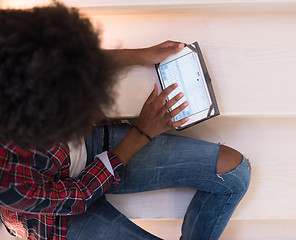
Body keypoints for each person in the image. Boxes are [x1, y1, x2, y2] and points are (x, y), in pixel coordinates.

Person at [0, 3, 251, 240]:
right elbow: (79, 196)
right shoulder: (7, 181)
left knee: (233, 173)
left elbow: (65, 61)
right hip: (56, 217)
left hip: (83, 150)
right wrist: (141, 133)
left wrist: (138, 56)